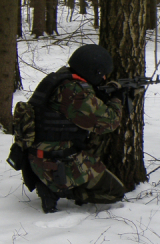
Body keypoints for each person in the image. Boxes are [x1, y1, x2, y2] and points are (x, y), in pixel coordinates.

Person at [24, 44, 129, 213]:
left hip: (38, 157)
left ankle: (54, 184)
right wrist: (117, 99)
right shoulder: (75, 92)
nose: (103, 78)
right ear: (92, 71)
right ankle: (58, 190)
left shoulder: (61, 78)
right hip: (57, 163)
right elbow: (109, 122)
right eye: (101, 74)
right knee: (114, 192)